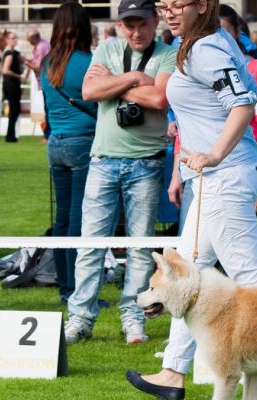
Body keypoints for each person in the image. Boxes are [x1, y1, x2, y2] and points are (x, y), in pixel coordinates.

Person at [125, 1, 257, 398]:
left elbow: (241, 103)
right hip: (213, 178)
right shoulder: (203, 41)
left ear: (202, 5)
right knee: (185, 276)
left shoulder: (205, 48)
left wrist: (214, 153)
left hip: (224, 176)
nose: (166, 11)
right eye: (162, 4)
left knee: (252, 278)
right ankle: (172, 372)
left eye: (175, 4)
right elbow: (226, 98)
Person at [64, 0, 176, 345]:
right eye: (129, 25)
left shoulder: (168, 55)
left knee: (140, 248)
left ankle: (133, 318)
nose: (136, 32)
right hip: (102, 160)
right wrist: (133, 78)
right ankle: (80, 318)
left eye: (142, 24)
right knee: (90, 245)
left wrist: (113, 83)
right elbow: (89, 91)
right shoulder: (108, 48)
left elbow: (160, 100)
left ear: (156, 21)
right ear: (119, 25)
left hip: (146, 163)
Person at [40, 2, 97, 305]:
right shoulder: (89, 61)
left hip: (56, 144)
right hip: (82, 143)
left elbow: (48, 109)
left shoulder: (46, 63)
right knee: (78, 221)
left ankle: (66, 287)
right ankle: (77, 291)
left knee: (62, 220)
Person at [219, 4, 257, 212]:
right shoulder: (200, 67)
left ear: (237, 32)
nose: (218, 38)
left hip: (243, 168)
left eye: (223, 31)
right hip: (204, 170)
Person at [1, 30, 25, 143]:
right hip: (11, 84)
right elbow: (5, 70)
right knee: (14, 109)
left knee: (14, 109)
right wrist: (18, 76)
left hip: (11, 84)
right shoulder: (10, 54)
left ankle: (11, 134)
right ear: (7, 40)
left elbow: (20, 67)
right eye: (12, 38)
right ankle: (10, 135)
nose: (15, 39)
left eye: (16, 37)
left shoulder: (14, 53)